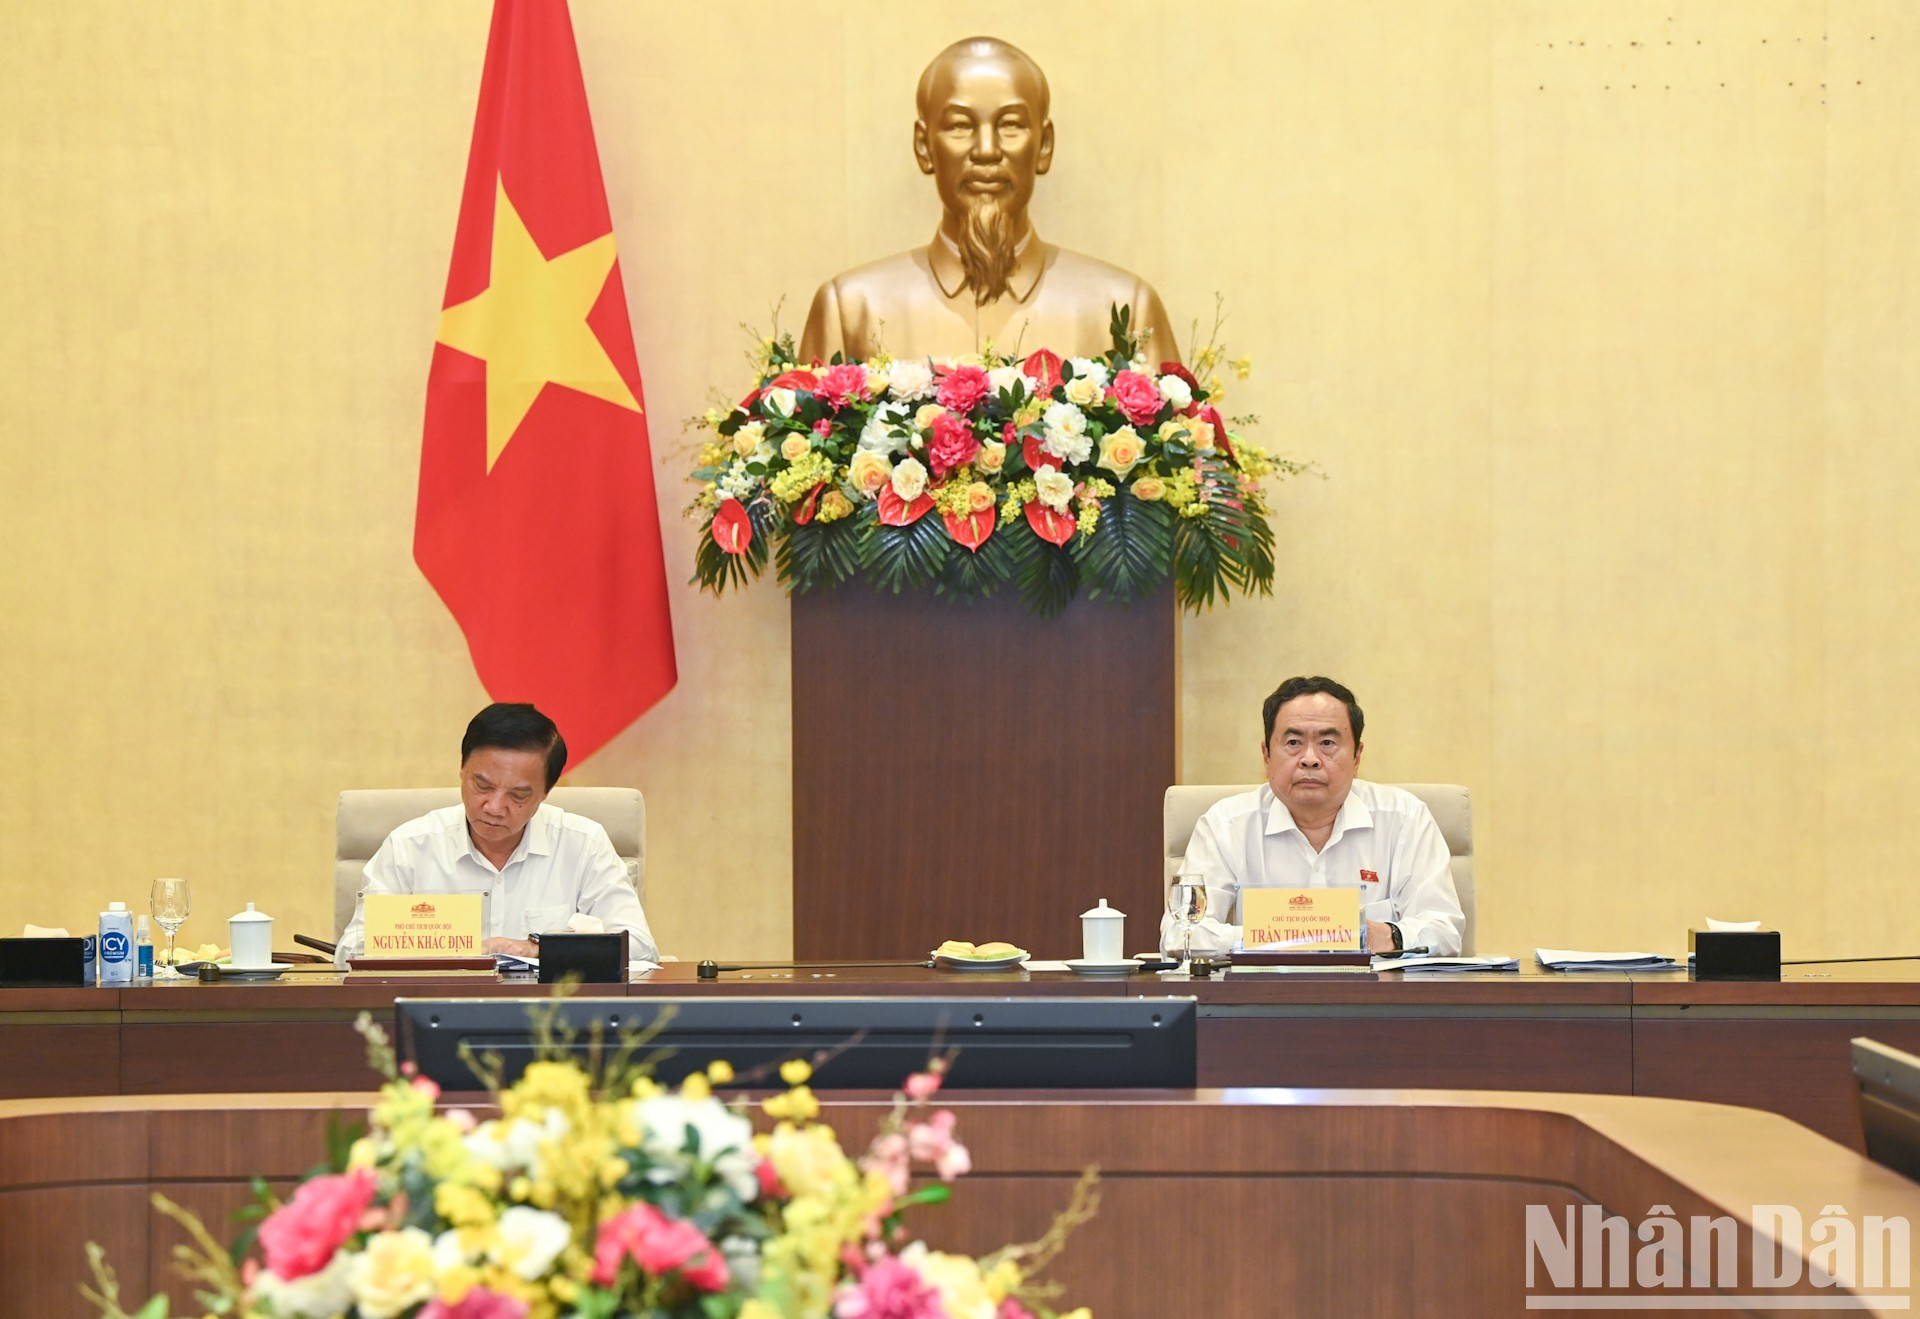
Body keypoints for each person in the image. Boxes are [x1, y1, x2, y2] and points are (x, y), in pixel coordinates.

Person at [798, 36, 1178, 365]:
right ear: (924, 146)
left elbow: (1178, 446)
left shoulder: (1124, 310)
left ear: (1043, 145)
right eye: (960, 126)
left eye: (1010, 125)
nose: (986, 150)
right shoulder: (850, 310)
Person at [335, 703, 659, 964]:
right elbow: (351, 951)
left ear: (546, 792)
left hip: (551, 1026)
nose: (494, 806)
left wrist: (537, 949)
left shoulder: (582, 843)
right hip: (438, 1018)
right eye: (482, 786)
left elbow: (638, 946)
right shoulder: (410, 847)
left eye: (517, 796)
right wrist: (430, 946)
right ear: (462, 772)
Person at [1165, 676, 1464, 957]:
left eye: (1327, 743)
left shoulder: (1404, 819)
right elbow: (1179, 935)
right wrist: (1287, 937)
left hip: (1374, 1004)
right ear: (1266, 755)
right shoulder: (1224, 826)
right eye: (1293, 743)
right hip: (1262, 1005)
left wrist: (1388, 936)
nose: (1310, 758)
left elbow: (1444, 929)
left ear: (1357, 756)